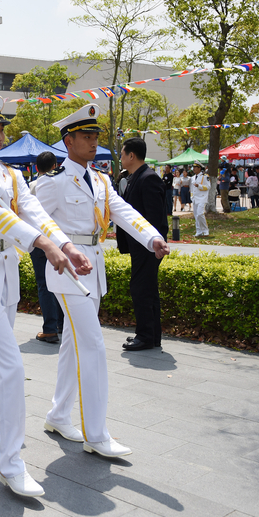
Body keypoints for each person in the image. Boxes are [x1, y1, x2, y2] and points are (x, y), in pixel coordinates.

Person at [0, 94, 84, 499]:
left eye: (1, 128)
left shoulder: (11, 175)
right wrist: (44, 245)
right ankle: (12, 461)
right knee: (8, 364)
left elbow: (34, 211)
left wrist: (64, 243)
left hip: (5, 274)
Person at [36, 104, 169, 458]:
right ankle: (96, 434)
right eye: (86, 137)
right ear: (68, 141)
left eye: (96, 136)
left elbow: (124, 213)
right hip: (68, 272)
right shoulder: (52, 182)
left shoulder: (101, 179)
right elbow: (35, 219)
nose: (94, 142)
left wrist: (152, 237)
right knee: (93, 345)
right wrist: (57, 248)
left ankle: (59, 414)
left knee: (72, 346)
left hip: (93, 268)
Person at [117, 138, 169, 351]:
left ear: (131, 155)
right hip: (141, 247)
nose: (120, 157)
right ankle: (151, 335)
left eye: (122, 153)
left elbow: (156, 218)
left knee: (141, 290)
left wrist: (154, 243)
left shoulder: (148, 179)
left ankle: (145, 335)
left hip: (148, 248)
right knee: (147, 290)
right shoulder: (134, 177)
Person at [29, 151, 65, 344]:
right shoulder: (61, 182)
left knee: (44, 285)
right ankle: (60, 324)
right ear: (55, 166)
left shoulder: (31, 186)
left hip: (38, 241)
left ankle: (50, 328)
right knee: (58, 283)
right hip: (57, 241)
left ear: (36, 168)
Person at [191, 163, 211, 237]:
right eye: (193, 167)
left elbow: (208, 186)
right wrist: (192, 196)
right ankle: (198, 231)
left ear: (199, 168)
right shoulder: (193, 177)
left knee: (200, 214)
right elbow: (192, 189)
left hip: (202, 197)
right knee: (196, 215)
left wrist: (199, 186)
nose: (194, 169)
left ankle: (205, 230)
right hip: (195, 198)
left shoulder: (205, 177)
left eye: (195, 167)